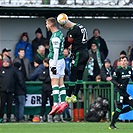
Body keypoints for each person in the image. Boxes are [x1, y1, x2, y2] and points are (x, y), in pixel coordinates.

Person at [57, 13, 89, 103]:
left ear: (66, 24)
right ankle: (75, 94)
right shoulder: (80, 26)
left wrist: (62, 45)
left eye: (64, 27)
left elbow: (67, 43)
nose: (66, 28)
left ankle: (68, 95)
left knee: (73, 73)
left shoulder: (72, 31)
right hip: (86, 52)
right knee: (80, 75)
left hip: (78, 53)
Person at [46, 17, 68, 115]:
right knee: (61, 82)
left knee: (54, 82)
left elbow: (55, 51)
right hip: (61, 60)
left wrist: (53, 64)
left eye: (47, 24)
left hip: (56, 61)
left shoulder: (55, 36)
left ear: (50, 24)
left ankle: (55, 104)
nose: (46, 26)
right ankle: (63, 102)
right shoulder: (60, 34)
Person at [109, 56, 133, 129]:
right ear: (120, 62)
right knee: (119, 107)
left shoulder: (129, 69)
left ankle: (118, 113)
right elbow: (112, 80)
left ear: (127, 62)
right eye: (122, 61)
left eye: (125, 61)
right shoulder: (118, 70)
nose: (123, 62)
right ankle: (112, 125)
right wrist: (118, 84)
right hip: (118, 91)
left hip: (124, 92)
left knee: (132, 105)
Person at [0, 57, 16, 123]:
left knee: (9, 105)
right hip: (2, 90)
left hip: (11, 90)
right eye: (4, 62)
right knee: (2, 105)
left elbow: (15, 79)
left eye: (7, 62)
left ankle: (8, 117)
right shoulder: (0, 70)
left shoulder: (12, 70)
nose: (6, 63)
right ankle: (1, 117)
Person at [38, 58, 54, 122]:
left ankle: (52, 116)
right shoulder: (44, 70)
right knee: (43, 103)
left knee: (52, 103)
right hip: (44, 89)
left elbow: (49, 79)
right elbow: (40, 77)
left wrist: (44, 79)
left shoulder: (51, 70)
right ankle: (42, 116)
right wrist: (45, 78)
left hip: (50, 89)